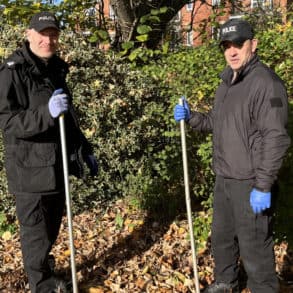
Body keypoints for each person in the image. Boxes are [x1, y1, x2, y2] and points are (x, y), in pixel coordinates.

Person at [174, 18, 290, 293]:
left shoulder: (267, 84)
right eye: (226, 46)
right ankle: (226, 283)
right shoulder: (227, 83)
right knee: (223, 238)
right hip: (224, 177)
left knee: (254, 247)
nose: (232, 51)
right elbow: (217, 120)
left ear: (253, 44)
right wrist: (192, 118)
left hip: (250, 181)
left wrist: (263, 185)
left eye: (238, 44)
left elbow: (276, 138)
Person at [0, 11, 98, 293]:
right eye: (42, 34)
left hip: (56, 165)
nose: (48, 40)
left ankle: (43, 267)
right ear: (29, 34)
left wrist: (84, 149)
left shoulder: (55, 69)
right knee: (36, 233)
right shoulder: (12, 71)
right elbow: (7, 121)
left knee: (51, 226)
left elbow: (67, 119)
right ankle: (41, 285)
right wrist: (46, 113)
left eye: (53, 34)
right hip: (28, 169)